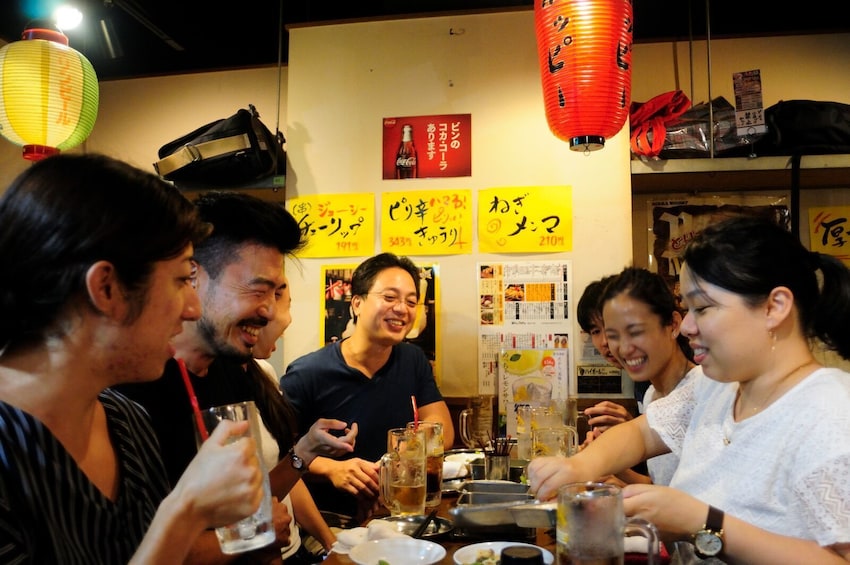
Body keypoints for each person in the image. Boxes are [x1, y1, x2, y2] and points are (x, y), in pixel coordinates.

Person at [528, 215, 850, 563]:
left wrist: (703, 521)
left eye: (704, 308)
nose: (688, 327)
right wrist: (579, 468)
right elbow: (642, 433)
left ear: (775, 307)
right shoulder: (717, 386)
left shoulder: (831, 413)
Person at [0, 154, 266, 563]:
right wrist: (184, 512)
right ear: (106, 289)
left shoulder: (126, 420)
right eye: (181, 279)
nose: (193, 308)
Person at [118, 192, 355, 564]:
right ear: (193, 276)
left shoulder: (232, 369)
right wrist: (252, 537)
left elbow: (256, 502)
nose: (269, 311)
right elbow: (132, 547)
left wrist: (302, 456)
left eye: (276, 294)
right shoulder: (133, 388)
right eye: (257, 290)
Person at [281, 252, 455, 521]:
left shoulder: (412, 360)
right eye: (389, 297)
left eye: (411, 301)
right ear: (357, 303)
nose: (402, 309)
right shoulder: (307, 373)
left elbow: (441, 427)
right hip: (327, 518)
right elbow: (280, 457)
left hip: (397, 510)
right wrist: (332, 469)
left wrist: (393, 466)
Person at [593, 267, 696, 486]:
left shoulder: (701, 389)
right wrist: (618, 474)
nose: (624, 348)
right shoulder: (651, 394)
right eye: (614, 336)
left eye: (636, 332)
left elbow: (691, 499)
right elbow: (662, 486)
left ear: (674, 325)